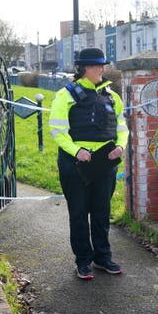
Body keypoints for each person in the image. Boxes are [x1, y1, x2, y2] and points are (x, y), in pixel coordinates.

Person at [49, 47, 129, 280]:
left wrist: (120, 146)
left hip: (104, 163)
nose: (101, 69)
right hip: (75, 164)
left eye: (103, 65)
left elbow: (122, 128)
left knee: (102, 212)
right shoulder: (65, 95)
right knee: (79, 213)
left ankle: (103, 258)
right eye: (97, 66)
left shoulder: (112, 97)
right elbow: (57, 130)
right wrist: (77, 151)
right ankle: (83, 260)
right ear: (84, 68)